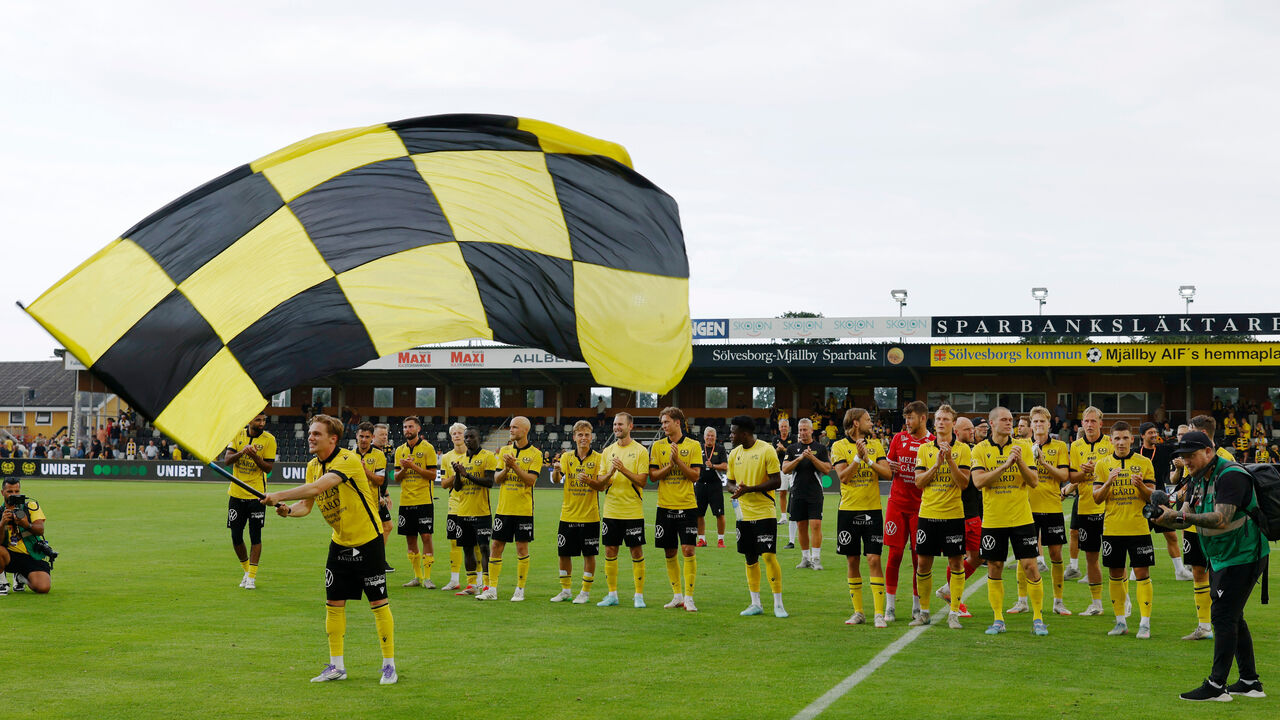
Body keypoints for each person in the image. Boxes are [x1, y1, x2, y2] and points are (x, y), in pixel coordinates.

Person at [262, 415, 396, 685]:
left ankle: (388, 665)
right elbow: (307, 504)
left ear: (332, 439)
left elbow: (318, 487)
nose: (310, 437)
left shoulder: (347, 460)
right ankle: (336, 666)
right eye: (310, 433)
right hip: (339, 543)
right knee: (333, 604)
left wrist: (278, 495)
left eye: (316, 434)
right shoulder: (312, 466)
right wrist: (288, 511)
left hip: (368, 541)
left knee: (378, 604)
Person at [1154, 431, 1271, 702]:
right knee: (1232, 615)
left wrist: (1181, 515)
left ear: (1209, 451)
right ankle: (1250, 681)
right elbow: (1185, 518)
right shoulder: (1197, 478)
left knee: (1222, 615)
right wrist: (1164, 518)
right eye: (1183, 457)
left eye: (1191, 455)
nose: (1186, 461)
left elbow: (1221, 518)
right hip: (1222, 555)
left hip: (1244, 554)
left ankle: (1217, 686)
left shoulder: (1230, 475)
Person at [971, 406, 1047, 636]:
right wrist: (1005, 466)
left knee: (1030, 567)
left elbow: (1034, 481)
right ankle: (998, 619)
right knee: (995, 567)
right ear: (991, 424)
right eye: (1004, 419)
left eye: (1011, 419)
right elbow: (979, 481)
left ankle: (1038, 618)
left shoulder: (1023, 446)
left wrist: (1019, 462)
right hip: (994, 520)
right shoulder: (980, 450)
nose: (1009, 423)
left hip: (1021, 519)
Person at [1170, 416, 1235, 641]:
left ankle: (1228, 620)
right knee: (1198, 571)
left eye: (1191, 432)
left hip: (1217, 526)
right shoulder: (1190, 455)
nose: (1187, 437)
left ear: (1205, 435)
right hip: (1193, 523)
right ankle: (1204, 626)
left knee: (1221, 573)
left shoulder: (1226, 459)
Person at [1092, 422, 1157, 638]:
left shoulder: (1144, 462)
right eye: (1117, 438)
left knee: (1142, 574)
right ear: (1111, 440)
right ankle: (1120, 622)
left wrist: (1140, 486)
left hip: (1139, 529)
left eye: (1125, 438)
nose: (1121, 442)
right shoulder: (1102, 465)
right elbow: (1096, 498)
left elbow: (1153, 498)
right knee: (1115, 574)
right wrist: (1108, 482)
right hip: (1112, 530)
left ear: (1132, 439)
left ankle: (1145, 623)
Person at [912, 405, 971, 629]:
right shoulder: (924, 450)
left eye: (946, 419)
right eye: (938, 419)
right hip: (928, 514)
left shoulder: (964, 450)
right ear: (933, 422)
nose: (941, 422)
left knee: (956, 563)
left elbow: (964, 483)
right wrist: (936, 464)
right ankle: (924, 612)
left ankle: (953, 613)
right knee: (923, 564)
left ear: (953, 424)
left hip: (953, 515)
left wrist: (949, 461)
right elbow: (919, 482)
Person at [831, 408, 891, 626]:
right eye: (867, 419)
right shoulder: (838, 446)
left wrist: (869, 460)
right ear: (856, 423)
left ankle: (878, 613)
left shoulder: (875, 445)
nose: (871, 422)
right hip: (848, 511)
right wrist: (858, 457)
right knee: (853, 559)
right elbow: (843, 477)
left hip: (872, 510)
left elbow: (887, 474)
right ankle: (858, 612)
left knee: (874, 559)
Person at [726, 415, 787, 618]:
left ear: (744, 433)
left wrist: (750, 489)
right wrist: (737, 490)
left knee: (769, 556)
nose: (731, 435)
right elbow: (729, 483)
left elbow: (776, 481)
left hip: (765, 512)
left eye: (734, 432)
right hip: (743, 514)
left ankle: (778, 604)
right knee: (750, 558)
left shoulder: (766, 450)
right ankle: (755, 603)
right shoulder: (734, 454)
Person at [1017, 406, 1072, 617]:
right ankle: (1022, 600)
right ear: (1031, 425)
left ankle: (1058, 601)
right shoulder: (1021, 446)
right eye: (1036, 422)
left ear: (1049, 424)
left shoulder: (1058, 446)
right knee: (1025, 555)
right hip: (1026, 508)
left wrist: (1042, 461)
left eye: (1042, 422)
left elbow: (1063, 475)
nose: (1039, 425)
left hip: (1052, 507)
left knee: (1056, 554)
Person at [648, 407, 704, 612]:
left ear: (677, 423)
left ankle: (689, 597)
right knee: (669, 551)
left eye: (666, 422)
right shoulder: (657, 446)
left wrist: (678, 460)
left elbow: (695, 476)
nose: (663, 426)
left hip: (687, 506)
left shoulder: (694, 445)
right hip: (664, 507)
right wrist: (670, 466)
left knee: (688, 550)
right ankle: (677, 595)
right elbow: (653, 477)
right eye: (662, 422)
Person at [883, 400, 933, 622]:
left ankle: (916, 605)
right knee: (894, 554)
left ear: (923, 418)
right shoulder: (898, 439)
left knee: (918, 559)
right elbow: (887, 467)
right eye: (906, 418)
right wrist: (889, 467)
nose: (907, 423)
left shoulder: (932, 442)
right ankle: (890, 606)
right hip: (897, 504)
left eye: (910, 418)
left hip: (921, 508)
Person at [483, 417, 542, 602]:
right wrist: (507, 468)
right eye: (510, 427)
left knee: (521, 548)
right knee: (496, 546)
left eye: (514, 427)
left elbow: (530, 481)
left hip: (523, 510)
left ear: (525, 430)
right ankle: (492, 589)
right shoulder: (505, 451)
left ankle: (520, 589)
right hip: (504, 509)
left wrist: (514, 465)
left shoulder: (535, 454)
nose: (511, 429)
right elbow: (497, 479)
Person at [596, 412, 650, 609]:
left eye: (620, 424)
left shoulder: (641, 451)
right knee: (610, 550)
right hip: (611, 511)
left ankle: (639, 595)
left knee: (636, 551)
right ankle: (612, 595)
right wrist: (611, 471)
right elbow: (601, 484)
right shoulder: (607, 451)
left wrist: (623, 469)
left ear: (630, 427)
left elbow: (643, 480)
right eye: (614, 424)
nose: (616, 427)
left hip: (632, 511)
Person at [550, 420, 605, 604]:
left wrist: (589, 481)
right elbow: (557, 480)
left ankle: (585, 592)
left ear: (591, 437)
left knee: (589, 554)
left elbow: (602, 486)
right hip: (568, 514)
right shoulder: (566, 458)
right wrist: (557, 470)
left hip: (590, 516)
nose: (583, 438)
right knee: (563, 554)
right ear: (574, 437)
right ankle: (565, 591)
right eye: (580, 435)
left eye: (587, 434)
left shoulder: (598, 458)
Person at [1065, 406, 1113, 615]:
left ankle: (1124, 600)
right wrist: (1083, 473)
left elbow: (1117, 470)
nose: (1090, 425)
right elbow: (1072, 477)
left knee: (1115, 558)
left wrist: (1098, 470)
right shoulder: (1075, 446)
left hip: (1110, 507)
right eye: (1087, 421)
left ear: (1101, 423)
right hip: (1085, 506)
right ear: (1082, 424)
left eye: (1094, 421)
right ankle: (1097, 604)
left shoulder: (1110, 442)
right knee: (1091, 558)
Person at [222, 410, 276, 590]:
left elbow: (268, 468)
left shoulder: (269, 440)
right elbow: (227, 460)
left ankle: (251, 577)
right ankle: (246, 571)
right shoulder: (237, 434)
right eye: (258, 420)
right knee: (236, 536)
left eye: (263, 420)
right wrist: (242, 453)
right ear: (249, 420)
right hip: (236, 495)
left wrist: (254, 456)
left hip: (257, 496)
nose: (262, 423)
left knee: (255, 536)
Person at [443, 427, 498, 596]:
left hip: (482, 512)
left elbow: (489, 482)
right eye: (466, 437)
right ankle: (472, 585)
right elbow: (457, 488)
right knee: (467, 549)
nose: (467, 440)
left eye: (471, 437)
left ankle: (488, 586)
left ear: (478, 438)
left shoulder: (488, 456)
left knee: (483, 548)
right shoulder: (462, 459)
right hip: (463, 512)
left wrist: (466, 475)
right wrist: (458, 475)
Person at [937, 416, 980, 618]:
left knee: (979, 556)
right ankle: (953, 597)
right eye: (967, 429)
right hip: (959, 512)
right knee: (957, 556)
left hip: (974, 512)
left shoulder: (971, 451)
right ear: (956, 431)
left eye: (973, 429)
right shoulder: (951, 451)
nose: (972, 432)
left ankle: (948, 590)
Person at [1137, 422, 1191, 581]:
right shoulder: (1135, 453)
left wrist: (1180, 464)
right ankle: (1135, 572)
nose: (1154, 435)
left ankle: (1180, 571)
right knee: (1140, 538)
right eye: (1150, 433)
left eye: (1155, 432)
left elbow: (1183, 451)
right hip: (1141, 500)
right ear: (1142, 435)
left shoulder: (1164, 450)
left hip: (1161, 500)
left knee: (1171, 536)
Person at [782, 418, 831, 570]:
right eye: (800, 430)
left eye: (805, 430)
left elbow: (827, 469)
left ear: (811, 431)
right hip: (797, 493)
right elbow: (785, 469)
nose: (803, 432)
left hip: (814, 493)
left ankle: (816, 559)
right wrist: (801, 458)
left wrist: (811, 457)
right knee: (801, 526)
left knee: (816, 525)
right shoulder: (792, 449)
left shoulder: (820, 448)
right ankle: (805, 558)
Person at [395, 416, 438, 589]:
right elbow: (396, 478)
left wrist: (414, 467)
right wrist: (405, 468)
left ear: (418, 429)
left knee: (426, 536)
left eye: (410, 426)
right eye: (405, 427)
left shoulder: (428, 448)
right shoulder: (399, 450)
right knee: (410, 539)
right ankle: (417, 576)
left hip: (424, 500)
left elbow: (433, 475)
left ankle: (427, 577)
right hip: (406, 501)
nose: (407, 430)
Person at [0, 477, 53, 594]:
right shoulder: (0, 512)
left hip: (32, 555)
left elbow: (40, 530)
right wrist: (2, 523)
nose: (13, 494)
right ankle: (2, 582)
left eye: (16, 491)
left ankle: (20, 577)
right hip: (10, 556)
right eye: (9, 492)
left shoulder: (31, 506)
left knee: (43, 588)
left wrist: (26, 524)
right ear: (2, 492)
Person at [356, 422, 391, 577]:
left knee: (376, 533)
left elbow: (380, 480)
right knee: (359, 535)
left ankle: (374, 562)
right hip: (355, 504)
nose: (364, 440)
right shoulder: (350, 455)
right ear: (356, 436)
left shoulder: (378, 455)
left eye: (367, 437)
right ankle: (367, 563)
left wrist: (364, 471)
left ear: (371, 438)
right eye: (361, 436)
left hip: (373, 503)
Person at [439, 423, 471, 591]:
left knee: (473, 543)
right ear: (451, 437)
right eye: (454, 433)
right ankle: (454, 580)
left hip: (472, 503)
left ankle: (476, 580)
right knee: (454, 541)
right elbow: (444, 484)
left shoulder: (472, 455)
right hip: (454, 504)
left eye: (460, 433)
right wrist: (456, 473)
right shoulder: (446, 458)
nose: (457, 436)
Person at [695, 427, 728, 548]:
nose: (710, 438)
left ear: (715, 437)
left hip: (715, 485)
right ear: (704, 437)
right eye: (708, 435)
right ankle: (702, 539)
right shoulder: (698, 449)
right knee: (699, 514)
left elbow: (725, 466)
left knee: (719, 514)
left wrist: (713, 465)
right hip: (700, 484)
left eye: (712, 436)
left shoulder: (720, 448)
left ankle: (720, 540)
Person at [371, 423, 395, 573]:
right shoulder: (372, 453)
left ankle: (378, 559)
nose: (385, 437)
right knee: (383, 527)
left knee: (386, 527)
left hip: (380, 496)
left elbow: (382, 477)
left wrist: (386, 494)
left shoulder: (381, 452)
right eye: (382, 435)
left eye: (386, 435)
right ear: (374, 436)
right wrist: (379, 495)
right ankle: (377, 560)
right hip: (373, 498)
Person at [772, 419, 797, 547]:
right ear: (779, 427)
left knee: (793, 493)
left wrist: (784, 448)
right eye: (782, 426)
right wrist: (778, 449)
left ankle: (792, 514)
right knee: (782, 493)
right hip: (780, 469)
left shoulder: (793, 438)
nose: (783, 428)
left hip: (792, 470)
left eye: (785, 426)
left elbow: (794, 453)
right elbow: (773, 454)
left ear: (788, 427)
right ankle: (783, 517)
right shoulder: (775, 439)